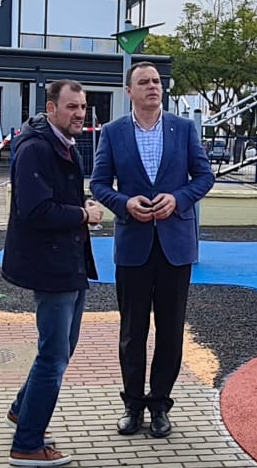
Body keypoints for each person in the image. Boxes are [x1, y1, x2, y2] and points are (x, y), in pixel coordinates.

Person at [90, 62, 214, 438]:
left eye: (156, 81)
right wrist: (124, 203)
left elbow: (204, 176)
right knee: (132, 331)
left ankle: (160, 405)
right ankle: (133, 405)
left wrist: (178, 199)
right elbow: (99, 184)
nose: (152, 87)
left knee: (171, 330)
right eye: (143, 82)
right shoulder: (113, 132)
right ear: (129, 91)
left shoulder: (184, 128)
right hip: (133, 245)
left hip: (175, 245)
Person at [1, 79, 106, 468]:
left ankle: (22, 410)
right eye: (71, 106)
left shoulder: (63, 144)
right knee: (54, 355)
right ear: (51, 108)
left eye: (82, 107)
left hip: (69, 263)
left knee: (61, 349)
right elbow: (34, 210)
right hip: (51, 267)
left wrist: (81, 205)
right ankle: (28, 443)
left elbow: (56, 197)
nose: (79, 113)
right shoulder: (36, 148)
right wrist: (82, 214)